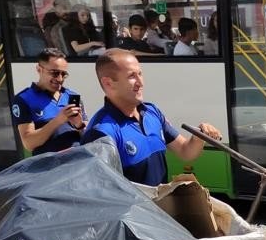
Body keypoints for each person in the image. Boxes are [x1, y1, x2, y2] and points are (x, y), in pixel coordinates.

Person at [82, 49, 222, 186]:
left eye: (140, 74)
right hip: (133, 210)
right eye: (132, 76)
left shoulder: (152, 112)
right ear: (108, 83)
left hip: (158, 208)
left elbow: (185, 152)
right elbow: (101, 192)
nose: (140, 82)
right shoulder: (101, 133)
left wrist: (198, 138)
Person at [10, 48, 86, 154]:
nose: (60, 79)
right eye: (54, 73)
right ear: (39, 69)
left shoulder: (72, 96)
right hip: (49, 166)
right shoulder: (24, 99)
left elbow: (88, 135)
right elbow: (29, 144)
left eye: (63, 74)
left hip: (78, 161)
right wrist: (58, 120)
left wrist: (79, 125)